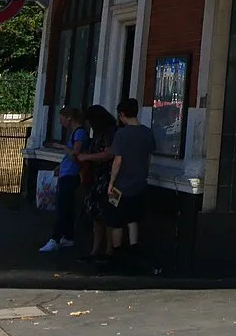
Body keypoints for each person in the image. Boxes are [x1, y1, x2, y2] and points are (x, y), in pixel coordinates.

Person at [104, 97, 155, 269]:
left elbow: (118, 160)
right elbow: (148, 157)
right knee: (134, 217)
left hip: (120, 185)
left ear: (122, 114)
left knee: (116, 219)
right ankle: (134, 248)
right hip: (139, 183)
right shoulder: (147, 132)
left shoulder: (122, 134)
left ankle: (116, 252)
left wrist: (111, 182)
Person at [73, 105, 117, 263]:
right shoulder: (99, 133)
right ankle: (95, 250)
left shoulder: (111, 132)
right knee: (96, 215)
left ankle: (109, 251)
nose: (90, 125)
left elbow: (109, 153)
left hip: (107, 178)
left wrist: (88, 158)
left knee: (108, 215)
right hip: (96, 178)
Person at [40, 108, 87, 254]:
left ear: (69, 118)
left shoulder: (79, 133)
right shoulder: (75, 133)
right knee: (66, 208)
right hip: (66, 172)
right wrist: (61, 166)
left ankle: (55, 238)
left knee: (62, 207)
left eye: (61, 118)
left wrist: (62, 147)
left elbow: (75, 155)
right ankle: (68, 236)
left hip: (71, 175)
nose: (60, 122)